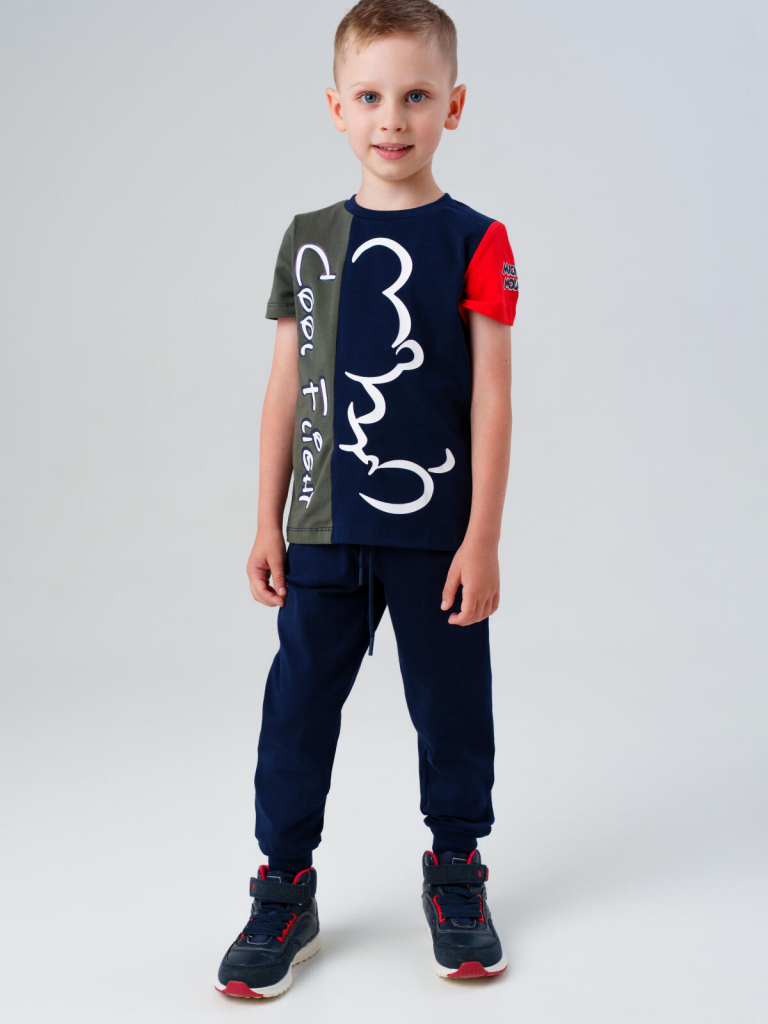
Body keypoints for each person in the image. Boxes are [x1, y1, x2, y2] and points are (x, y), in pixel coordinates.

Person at [216, 0, 520, 999]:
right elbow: (284, 387)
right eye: (373, 97)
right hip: (321, 530)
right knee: (297, 710)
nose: (394, 118)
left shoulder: (477, 240)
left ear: (454, 106)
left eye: (418, 96)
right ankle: (284, 887)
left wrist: (482, 536)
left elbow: (492, 396)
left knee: (453, 709)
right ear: (337, 106)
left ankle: (457, 870)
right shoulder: (309, 241)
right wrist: (265, 520)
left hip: (436, 537)